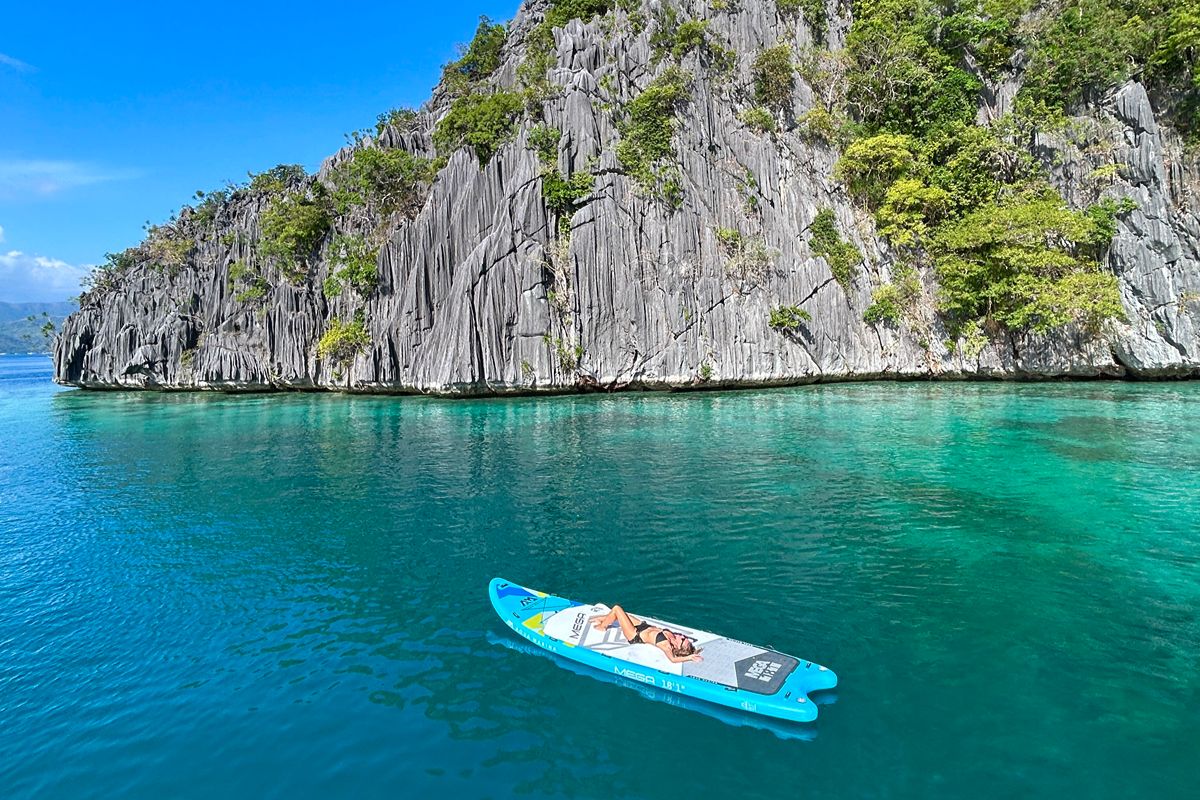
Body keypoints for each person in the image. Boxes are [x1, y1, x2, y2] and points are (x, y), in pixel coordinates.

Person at [590, 604, 703, 663]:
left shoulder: (666, 645)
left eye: (683, 639)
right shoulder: (673, 636)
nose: (682, 636)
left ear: (678, 646)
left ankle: (601, 626)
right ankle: (602, 619)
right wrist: (692, 649)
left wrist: (689, 657)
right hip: (643, 626)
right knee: (624, 615)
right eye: (684, 637)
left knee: (617, 609)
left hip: (635, 635)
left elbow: (673, 659)